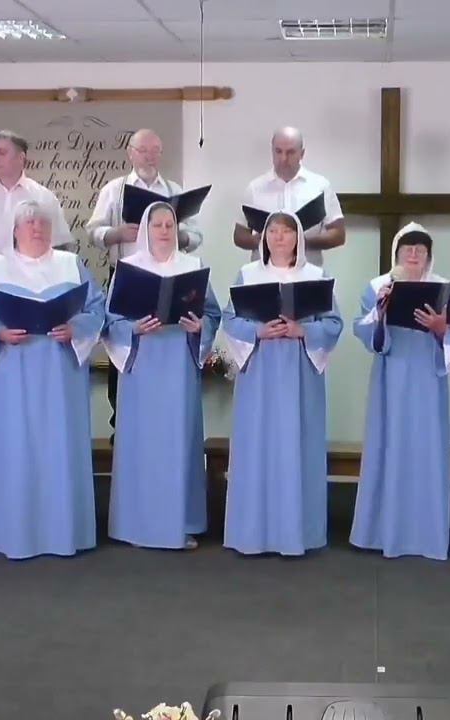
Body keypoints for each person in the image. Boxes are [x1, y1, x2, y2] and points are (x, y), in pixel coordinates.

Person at [0, 200, 105, 559]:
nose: (37, 228)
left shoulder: (71, 265)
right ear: (15, 230)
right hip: (12, 375)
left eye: (42, 222)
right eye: (29, 223)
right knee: (15, 449)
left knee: (59, 447)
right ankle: (9, 532)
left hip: (60, 374)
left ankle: (63, 531)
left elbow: (97, 309)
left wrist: (75, 327)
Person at [220, 211, 343, 556]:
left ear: (298, 238)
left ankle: (297, 533)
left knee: (297, 445)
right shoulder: (248, 275)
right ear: (264, 237)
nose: (279, 237)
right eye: (273, 231)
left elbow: (334, 324)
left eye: (286, 232)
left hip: (300, 373)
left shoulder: (315, 276)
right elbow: (230, 320)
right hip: (259, 372)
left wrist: (303, 329)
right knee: (257, 446)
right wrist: (258, 331)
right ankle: (253, 534)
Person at [103, 202, 220, 550]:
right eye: (158, 225)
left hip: (178, 366)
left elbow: (213, 314)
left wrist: (201, 327)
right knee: (143, 444)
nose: (165, 231)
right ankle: (137, 523)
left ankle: (179, 522)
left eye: (170, 224)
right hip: (142, 366)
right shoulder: (128, 269)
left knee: (178, 442)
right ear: (146, 229)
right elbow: (110, 321)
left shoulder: (193, 267)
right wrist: (133, 328)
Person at [350, 223, 450, 561]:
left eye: (421, 249)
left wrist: (441, 328)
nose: (414, 254)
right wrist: (380, 311)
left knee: (426, 449)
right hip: (391, 378)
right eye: (407, 248)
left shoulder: (445, 289)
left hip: (428, 380)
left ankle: (425, 535)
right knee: (388, 446)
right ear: (397, 253)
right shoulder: (377, 286)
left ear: (429, 256)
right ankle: (382, 532)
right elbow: (364, 331)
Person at [0, 129, 76, 444]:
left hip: (36, 280)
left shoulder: (43, 196)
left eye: (2, 152)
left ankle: (38, 425)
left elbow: (63, 245)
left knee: (30, 347)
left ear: (22, 158)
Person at [86, 128, 204, 435]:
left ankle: (171, 420)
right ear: (130, 153)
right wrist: (117, 233)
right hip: (128, 275)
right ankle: (122, 422)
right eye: (143, 151)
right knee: (127, 342)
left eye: (155, 151)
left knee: (170, 337)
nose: (149, 157)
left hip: (172, 274)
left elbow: (197, 235)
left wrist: (178, 236)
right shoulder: (114, 189)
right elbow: (93, 231)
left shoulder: (174, 189)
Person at [232, 127, 346, 268]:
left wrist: (302, 243)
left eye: (290, 152)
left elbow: (338, 234)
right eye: (278, 151)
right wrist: (263, 242)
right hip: (263, 274)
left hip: (307, 274)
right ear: (272, 151)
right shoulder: (255, 188)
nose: (283, 159)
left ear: (302, 154)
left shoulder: (320, 186)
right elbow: (239, 236)